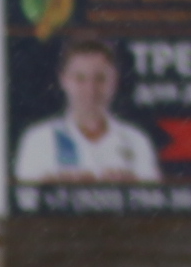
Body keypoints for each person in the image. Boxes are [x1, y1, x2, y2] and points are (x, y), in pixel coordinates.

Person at [16, 35, 159, 186]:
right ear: (64, 80)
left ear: (114, 80)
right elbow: (24, 202)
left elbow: (155, 203)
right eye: (80, 78)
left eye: (100, 78)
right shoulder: (39, 140)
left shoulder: (136, 142)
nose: (90, 90)